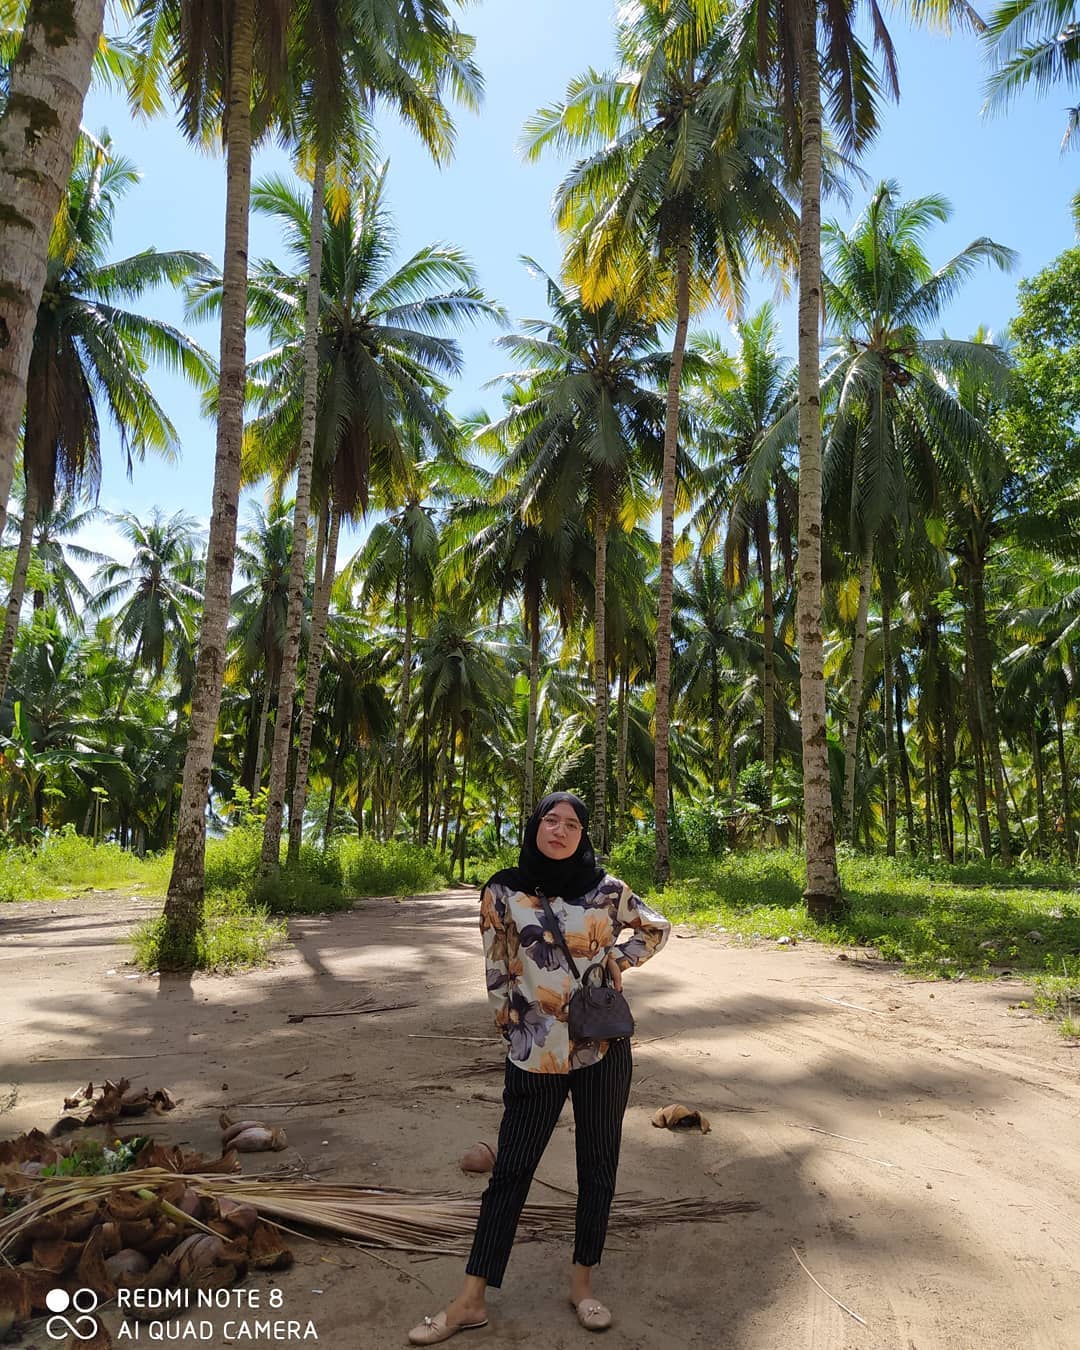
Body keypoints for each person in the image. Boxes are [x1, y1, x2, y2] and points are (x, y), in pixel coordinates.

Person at [407, 791, 671, 1345]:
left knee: (598, 1163)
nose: (560, 830)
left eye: (571, 823)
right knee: (511, 1172)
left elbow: (655, 927)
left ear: (583, 835)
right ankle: (471, 1298)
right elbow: (497, 966)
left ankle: (582, 1284)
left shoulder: (606, 889)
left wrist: (619, 961)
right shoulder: (504, 890)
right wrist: (511, 1027)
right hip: (535, 1052)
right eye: (550, 820)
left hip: (601, 1048)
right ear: (535, 827)